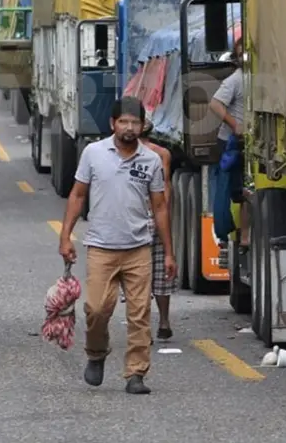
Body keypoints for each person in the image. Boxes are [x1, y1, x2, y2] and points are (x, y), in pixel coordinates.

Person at [58, 96, 174, 396]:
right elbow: (78, 195)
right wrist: (65, 236)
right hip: (101, 247)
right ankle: (96, 354)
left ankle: (136, 373)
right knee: (97, 309)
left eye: (135, 122)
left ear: (143, 126)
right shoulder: (94, 154)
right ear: (113, 124)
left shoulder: (150, 160)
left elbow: (160, 207)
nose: (129, 127)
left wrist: (170, 253)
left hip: (138, 249)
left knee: (139, 313)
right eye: (123, 122)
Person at [139, 118, 176, 340]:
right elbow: (165, 188)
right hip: (156, 217)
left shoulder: (125, 153)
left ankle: (143, 326)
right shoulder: (162, 153)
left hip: (136, 220)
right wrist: (163, 217)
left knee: (138, 275)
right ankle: (163, 320)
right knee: (161, 271)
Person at [207, 40, 245, 250]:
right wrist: (235, 125)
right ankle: (229, 232)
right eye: (240, 54)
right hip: (232, 144)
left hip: (248, 143)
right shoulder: (236, 80)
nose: (244, 58)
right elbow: (214, 104)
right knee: (233, 191)